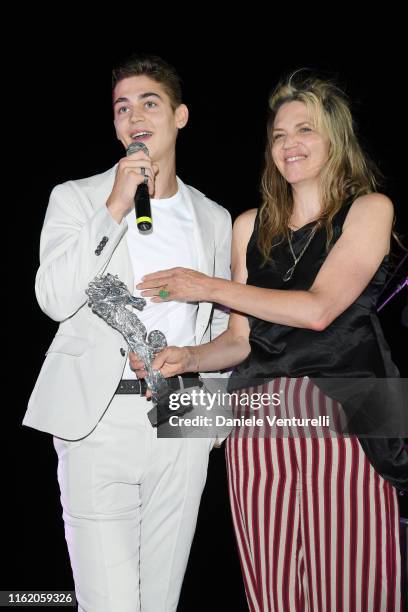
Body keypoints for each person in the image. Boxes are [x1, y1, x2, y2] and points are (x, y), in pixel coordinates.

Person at [134, 72, 407, 611]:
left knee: (354, 585)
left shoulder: (371, 209)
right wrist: (187, 358)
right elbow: (238, 339)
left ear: (335, 139)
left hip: (349, 410)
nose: (288, 145)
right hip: (257, 415)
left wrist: (208, 285)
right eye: (279, 135)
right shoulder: (248, 226)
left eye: (304, 130)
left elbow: (320, 310)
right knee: (273, 587)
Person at [23, 54, 231, 612]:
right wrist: (115, 205)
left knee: (161, 601)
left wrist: (210, 430)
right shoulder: (76, 199)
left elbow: (218, 323)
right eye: (122, 107)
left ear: (180, 116)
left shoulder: (213, 217)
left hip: (183, 415)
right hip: (96, 420)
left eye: (149, 102)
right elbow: (54, 299)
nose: (134, 115)